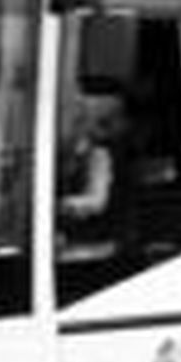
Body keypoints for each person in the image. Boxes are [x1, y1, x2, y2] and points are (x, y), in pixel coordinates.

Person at [57, 93, 127, 258]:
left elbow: (96, 201)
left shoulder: (100, 155)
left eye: (78, 120)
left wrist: (56, 206)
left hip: (93, 244)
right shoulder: (73, 152)